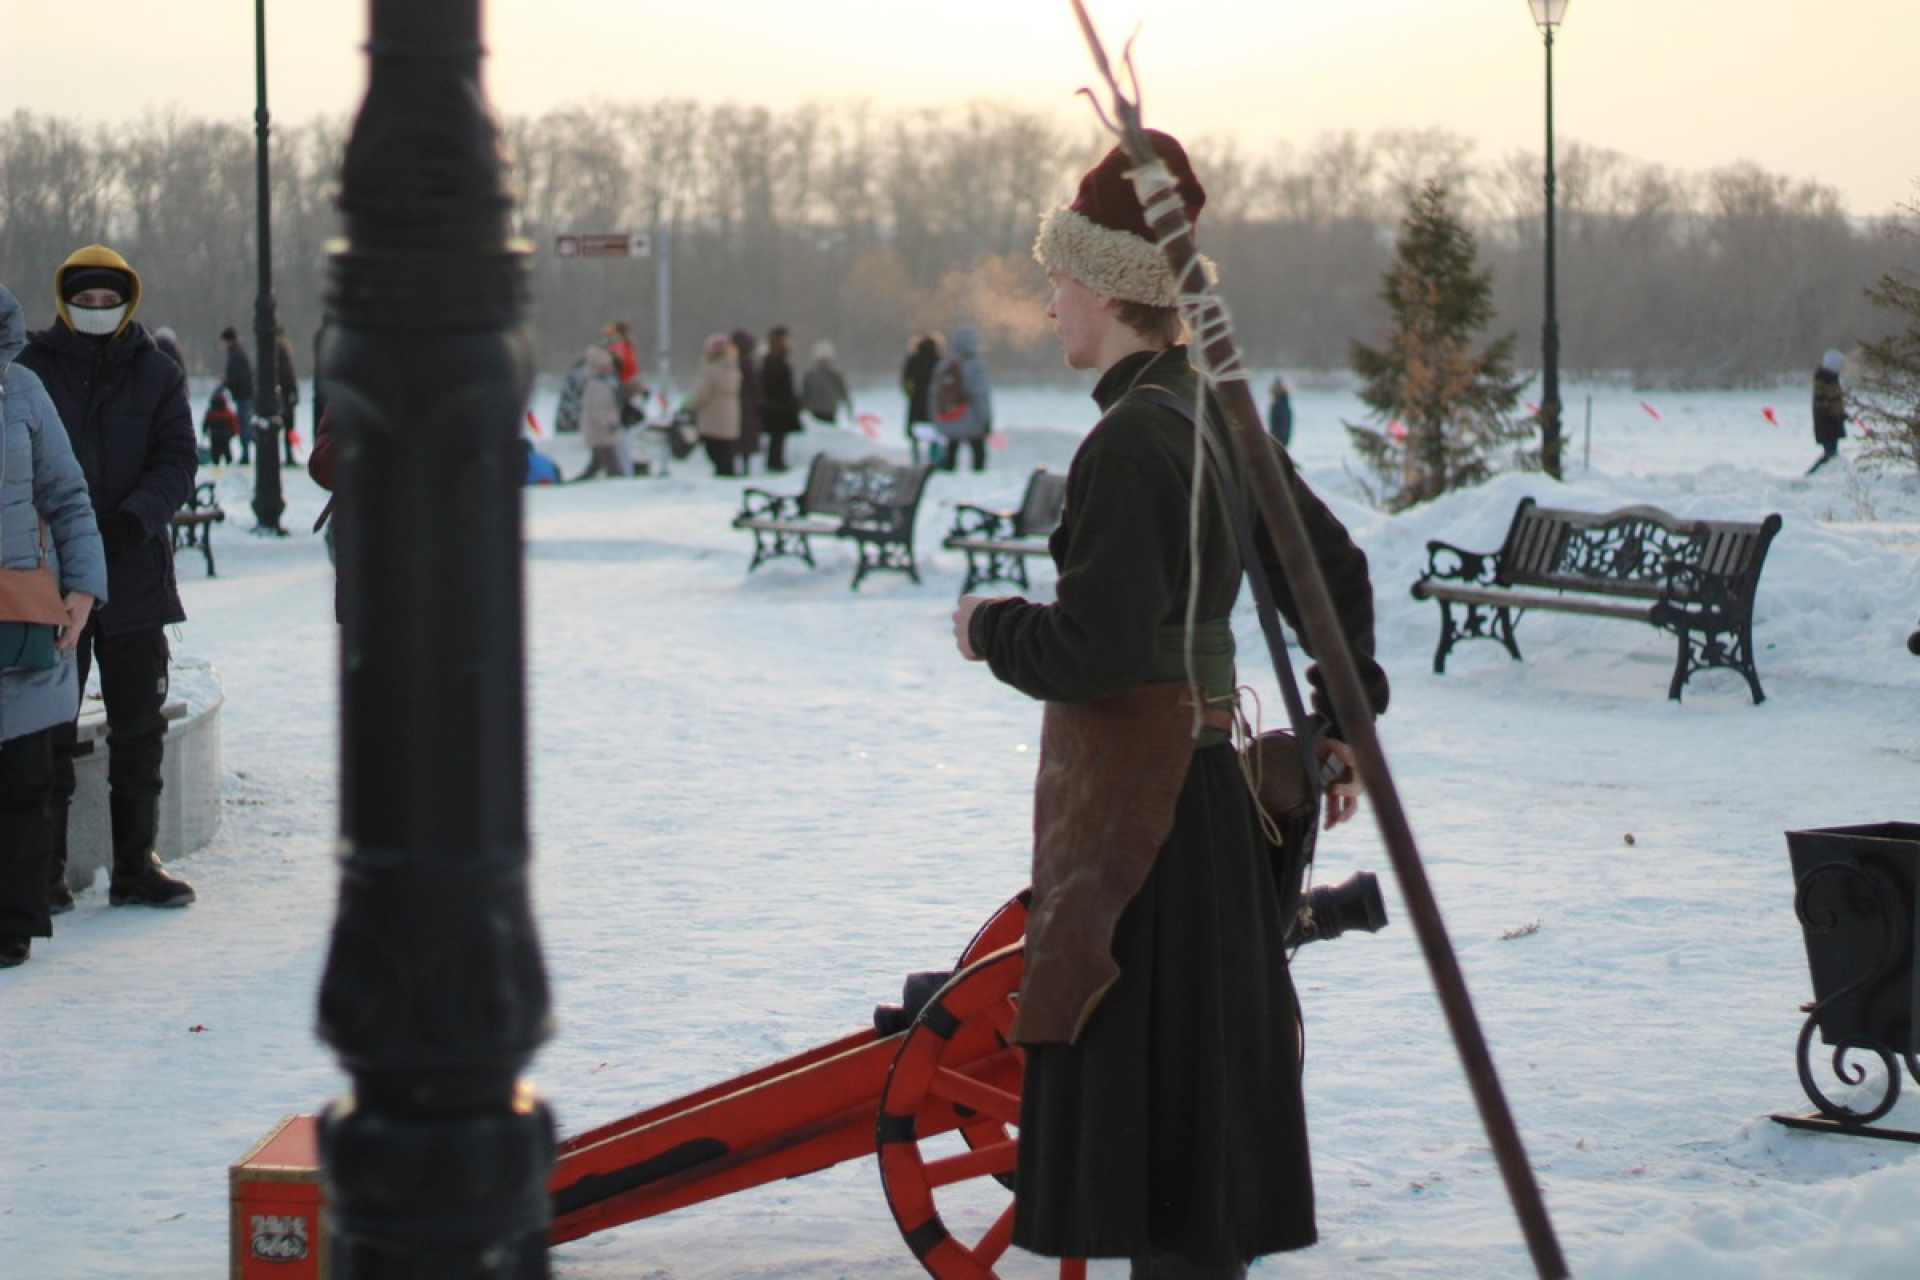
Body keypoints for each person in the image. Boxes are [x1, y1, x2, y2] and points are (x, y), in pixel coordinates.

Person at [950, 132, 1389, 1279]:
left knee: (1165, 1162)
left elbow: (1094, 650)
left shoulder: (1131, 440)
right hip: (1201, 816)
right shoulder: (1213, 416)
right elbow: (1334, 575)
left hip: (1145, 832)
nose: (1049, 302)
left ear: (1106, 289)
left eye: (1058, 278)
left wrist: (989, 625)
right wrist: (1342, 724)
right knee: (1191, 1162)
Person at [18, 244, 199, 911]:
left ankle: (135, 864)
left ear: (128, 303)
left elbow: (176, 460)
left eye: (108, 301)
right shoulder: (31, 369)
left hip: (135, 573)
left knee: (138, 726)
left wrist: (131, 521)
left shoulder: (157, 373)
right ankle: (45, 871)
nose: (97, 311)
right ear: (66, 302)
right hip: (50, 578)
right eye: (86, 301)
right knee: (46, 729)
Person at [0, 284, 108, 967]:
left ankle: (13, 922)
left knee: (24, 781)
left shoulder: (24, 393)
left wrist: (84, 590)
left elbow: (68, 497)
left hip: (24, 618)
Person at [933, 324, 993, 472]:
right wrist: (986, 420)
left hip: (951, 416)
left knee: (951, 448)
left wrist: (937, 418)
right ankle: (979, 477)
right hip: (972, 418)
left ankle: (948, 475)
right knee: (978, 451)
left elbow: (934, 394)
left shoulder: (945, 365)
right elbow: (980, 395)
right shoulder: (976, 367)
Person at [686, 333, 743, 477]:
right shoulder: (734, 368)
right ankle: (727, 476)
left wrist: (688, 406)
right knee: (726, 453)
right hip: (731, 415)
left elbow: (703, 394)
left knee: (714, 450)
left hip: (713, 417)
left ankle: (723, 477)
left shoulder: (712, 369)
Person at [571, 345, 627, 480]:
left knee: (597, 463)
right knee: (611, 465)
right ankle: (619, 483)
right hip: (601, 432)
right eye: (608, 365)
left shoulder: (602, 383)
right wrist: (610, 423)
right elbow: (600, 409)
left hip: (600, 431)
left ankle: (581, 481)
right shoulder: (600, 385)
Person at [760, 326, 803, 473]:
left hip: (779, 406)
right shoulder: (774, 362)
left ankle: (776, 461)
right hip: (778, 407)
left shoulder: (774, 361)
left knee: (778, 438)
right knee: (777, 437)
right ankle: (775, 462)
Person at [900, 331, 942, 465]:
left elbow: (906, 382)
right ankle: (934, 460)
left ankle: (916, 460)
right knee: (935, 433)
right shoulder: (939, 361)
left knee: (915, 433)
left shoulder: (913, 360)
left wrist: (912, 394)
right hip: (934, 402)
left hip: (916, 402)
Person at [219, 325, 255, 464]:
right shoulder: (238, 353)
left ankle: (246, 453)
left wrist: (226, 383)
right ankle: (248, 451)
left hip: (243, 395)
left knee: (244, 424)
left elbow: (236, 377)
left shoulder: (235, 355)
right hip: (244, 394)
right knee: (245, 424)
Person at [1808, 348, 1847, 476]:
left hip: (1832, 422)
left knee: (1831, 453)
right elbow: (1825, 402)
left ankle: (1820, 474)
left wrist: (1842, 414)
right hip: (1826, 423)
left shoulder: (1831, 379)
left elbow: (1834, 401)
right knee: (1830, 453)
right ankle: (1812, 475)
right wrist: (1837, 411)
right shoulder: (1824, 380)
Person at [800, 340, 854, 427]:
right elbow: (844, 394)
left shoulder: (810, 375)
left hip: (815, 411)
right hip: (829, 410)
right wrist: (849, 411)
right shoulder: (835, 375)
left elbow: (804, 395)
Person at [732, 329, 764, 474]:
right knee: (745, 441)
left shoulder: (733, 362)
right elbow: (755, 387)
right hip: (748, 408)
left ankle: (738, 467)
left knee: (736, 439)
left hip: (736, 406)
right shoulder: (749, 363)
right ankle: (745, 468)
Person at [273, 325, 300, 467]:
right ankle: (289, 455)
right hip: (285, 396)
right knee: (288, 427)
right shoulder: (282, 352)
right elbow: (288, 375)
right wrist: (293, 391)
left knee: (282, 427)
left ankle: (284, 455)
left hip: (281, 395)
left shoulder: (275, 352)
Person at [204, 388, 240, 465]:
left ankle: (216, 464)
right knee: (227, 451)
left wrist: (204, 431)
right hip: (226, 436)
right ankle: (229, 464)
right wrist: (234, 432)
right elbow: (233, 422)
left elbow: (206, 423)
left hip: (214, 436)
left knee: (215, 452)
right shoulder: (227, 412)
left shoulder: (211, 412)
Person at [1267, 377, 1293, 448]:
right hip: (1281, 440)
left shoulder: (1278, 405)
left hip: (1278, 439)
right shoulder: (1284, 403)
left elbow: (1278, 425)